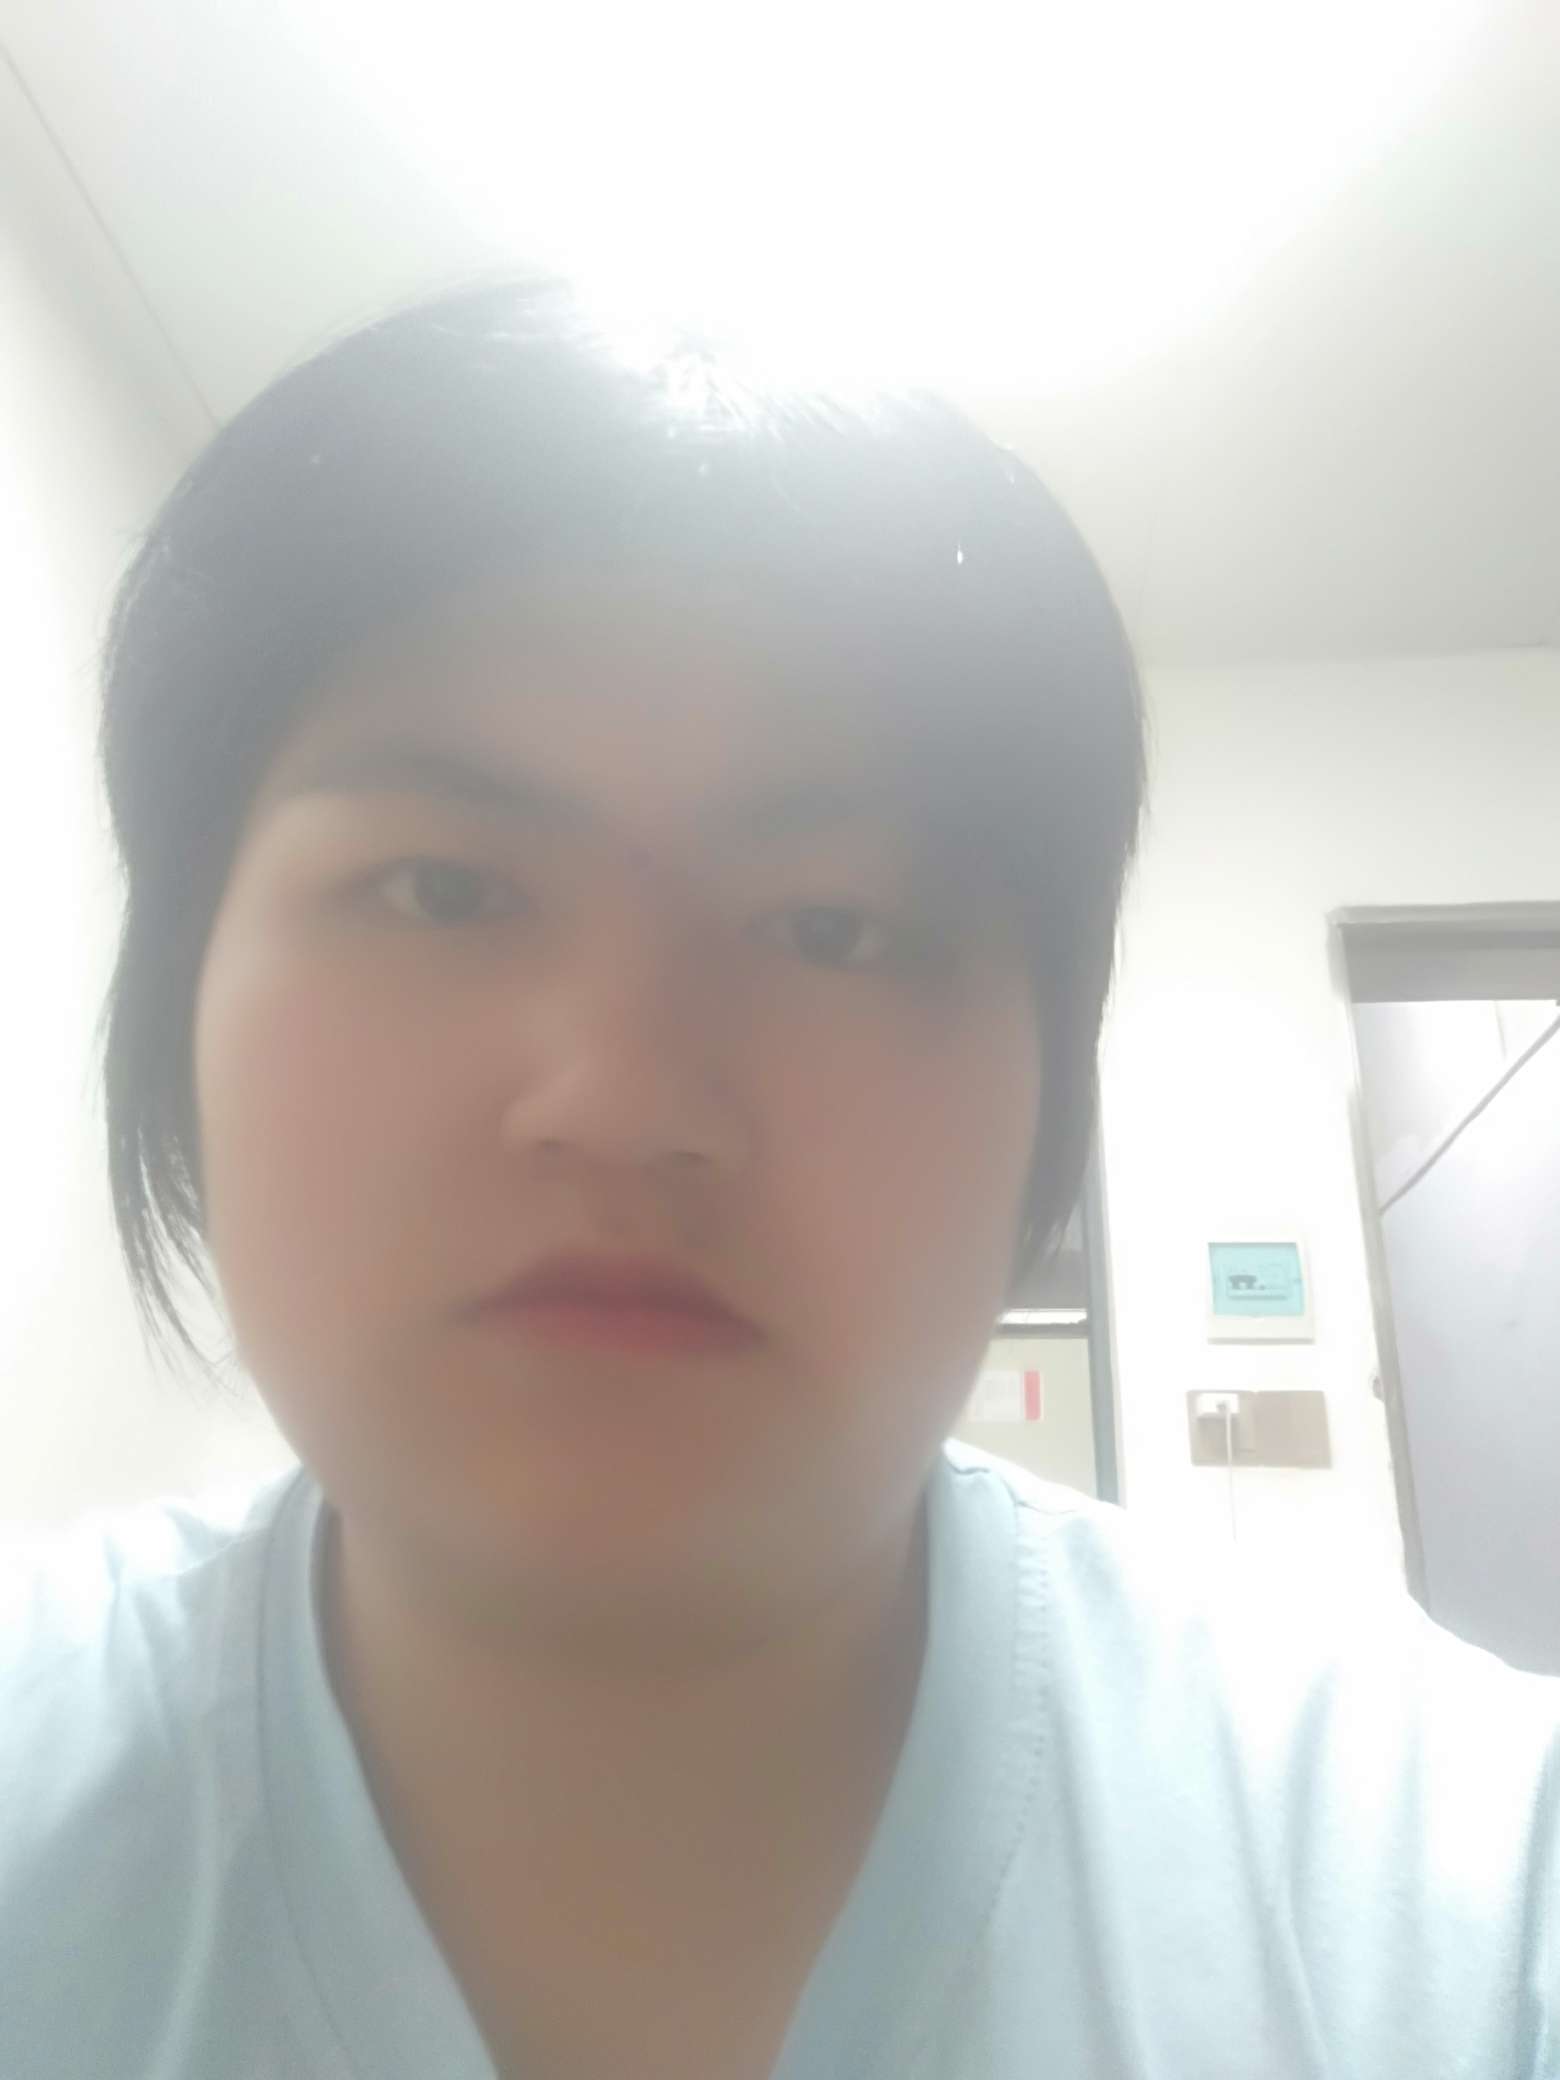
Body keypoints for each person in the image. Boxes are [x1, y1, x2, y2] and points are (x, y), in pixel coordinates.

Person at [1, 276, 1555, 2080]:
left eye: (837, 928)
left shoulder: (1466, 1901)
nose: (621, 1099)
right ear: (181, 992)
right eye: (444, 888)